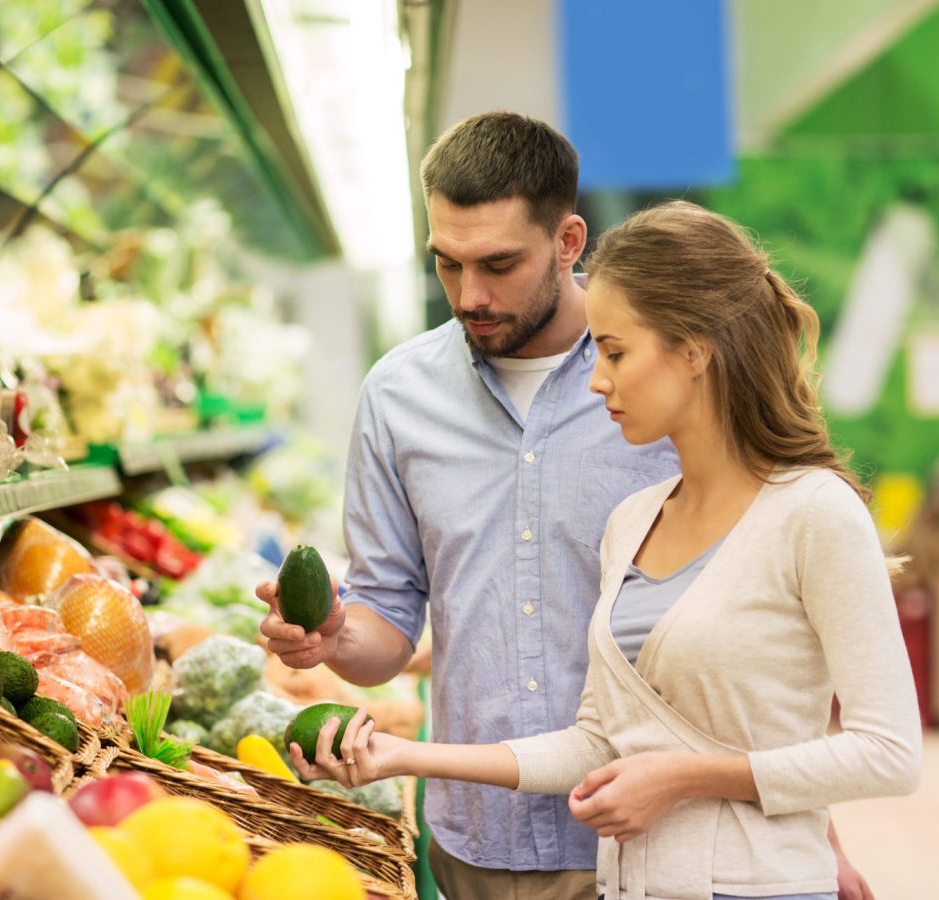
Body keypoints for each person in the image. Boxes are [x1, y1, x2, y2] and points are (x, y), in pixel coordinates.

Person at [259, 115, 878, 900]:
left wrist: (818, 834)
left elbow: (765, 651)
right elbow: (387, 620)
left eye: (499, 264)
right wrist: (328, 637)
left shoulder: (660, 385)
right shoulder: (397, 395)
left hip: (658, 842)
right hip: (475, 835)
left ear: (569, 240)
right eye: (446, 265)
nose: (470, 296)